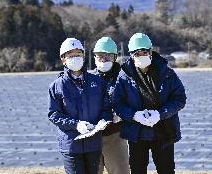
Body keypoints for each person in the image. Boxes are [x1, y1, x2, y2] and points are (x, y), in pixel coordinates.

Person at [112, 33, 186, 174]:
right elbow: (118, 103)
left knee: (166, 169)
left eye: (144, 52)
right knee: (137, 169)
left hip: (164, 132)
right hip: (136, 134)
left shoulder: (167, 72)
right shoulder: (124, 75)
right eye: (137, 53)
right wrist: (134, 115)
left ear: (150, 52)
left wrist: (161, 113)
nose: (141, 56)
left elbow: (179, 98)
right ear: (131, 55)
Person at [47, 38, 112, 174]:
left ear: (83, 56)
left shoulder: (98, 82)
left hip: (93, 144)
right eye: (70, 56)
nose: (75, 58)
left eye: (78, 54)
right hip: (71, 145)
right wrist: (75, 124)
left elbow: (106, 108)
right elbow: (54, 114)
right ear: (63, 60)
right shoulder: (57, 86)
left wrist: (102, 121)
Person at [92, 37, 130, 174]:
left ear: (114, 57)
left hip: (115, 134)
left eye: (107, 56)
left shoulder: (125, 78)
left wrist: (122, 113)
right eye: (100, 55)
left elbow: (133, 101)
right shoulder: (89, 79)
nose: (103, 59)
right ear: (94, 56)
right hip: (92, 136)